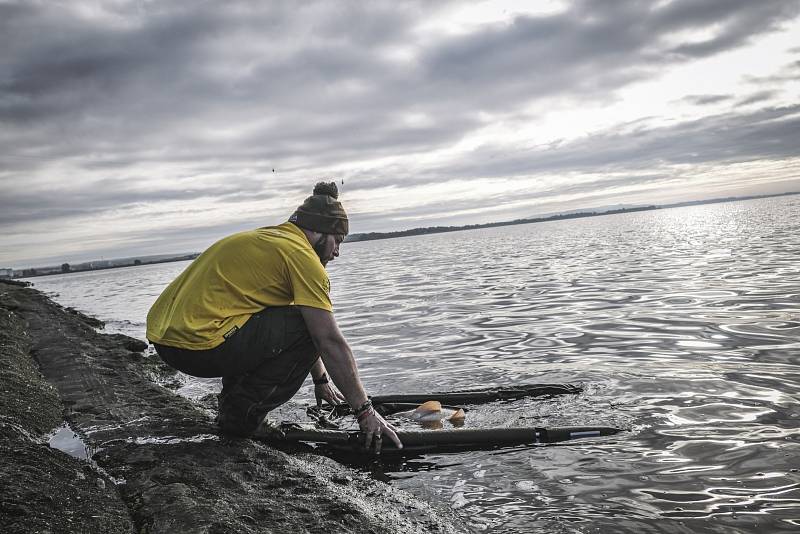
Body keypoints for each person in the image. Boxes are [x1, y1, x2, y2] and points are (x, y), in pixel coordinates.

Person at [146, 182, 402, 453]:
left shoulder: (272, 240)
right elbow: (326, 339)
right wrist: (365, 412)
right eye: (338, 241)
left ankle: (234, 405)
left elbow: (294, 322)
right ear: (320, 232)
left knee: (272, 318)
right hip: (198, 346)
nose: (337, 252)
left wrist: (321, 380)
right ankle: (241, 418)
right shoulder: (302, 258)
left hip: (167, 341)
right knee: (308, 328)